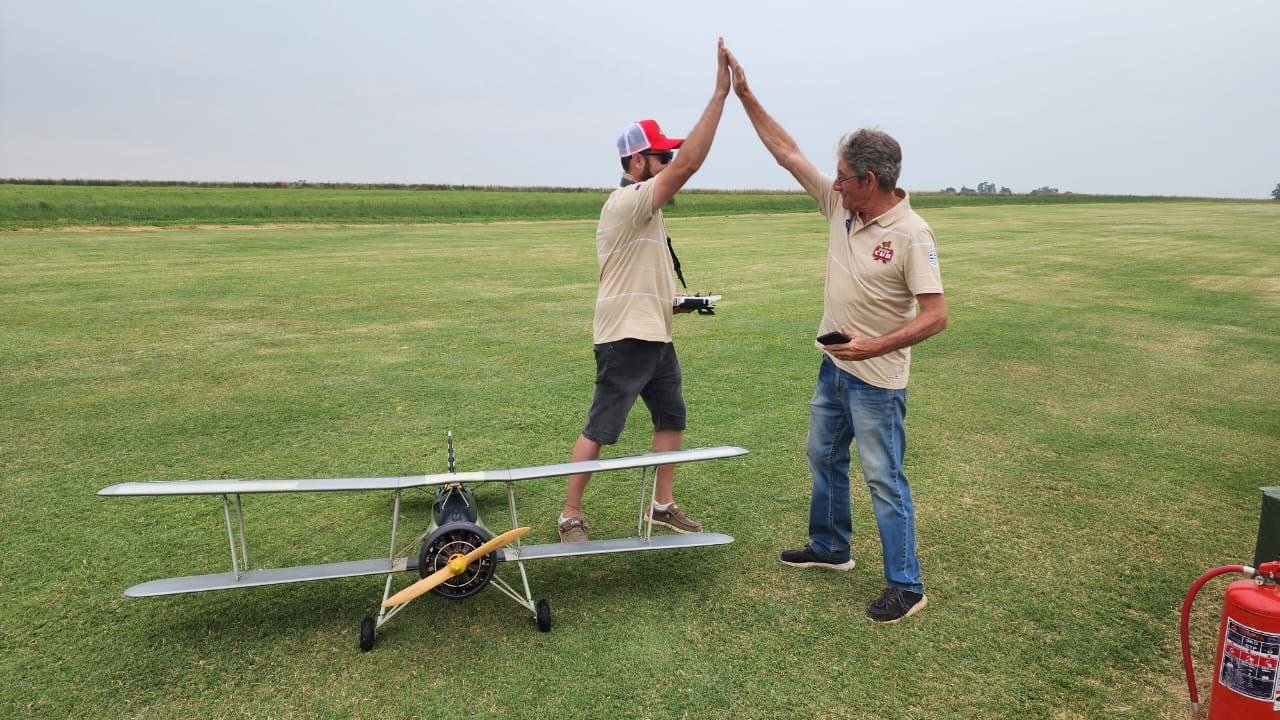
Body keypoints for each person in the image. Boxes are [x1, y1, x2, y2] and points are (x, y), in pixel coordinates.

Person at [724, 45, 948, 623]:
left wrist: (875, 345)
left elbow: (935, 315)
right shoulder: (840, 207)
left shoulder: (911, 234)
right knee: (822, 455)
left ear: (870, 180)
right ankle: (830, 548)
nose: (836, 186)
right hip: (834, 368)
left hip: (877, 380)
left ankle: (907, 584)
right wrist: (745, 93)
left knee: (883, 477)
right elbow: (786, 153)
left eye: (845, 178)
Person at [557, 39, 731, 543]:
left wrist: (681, 302)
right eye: (661, 155)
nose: (670, 161)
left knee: (672, 417)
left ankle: (662, 505)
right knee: (601, 428)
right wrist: (720, 93)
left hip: (656, 333)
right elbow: (691, 165)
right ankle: (569, 514)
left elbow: (639, 280)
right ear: (636, 162)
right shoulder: (628, 202)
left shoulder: (646, 214)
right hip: (626, 339)